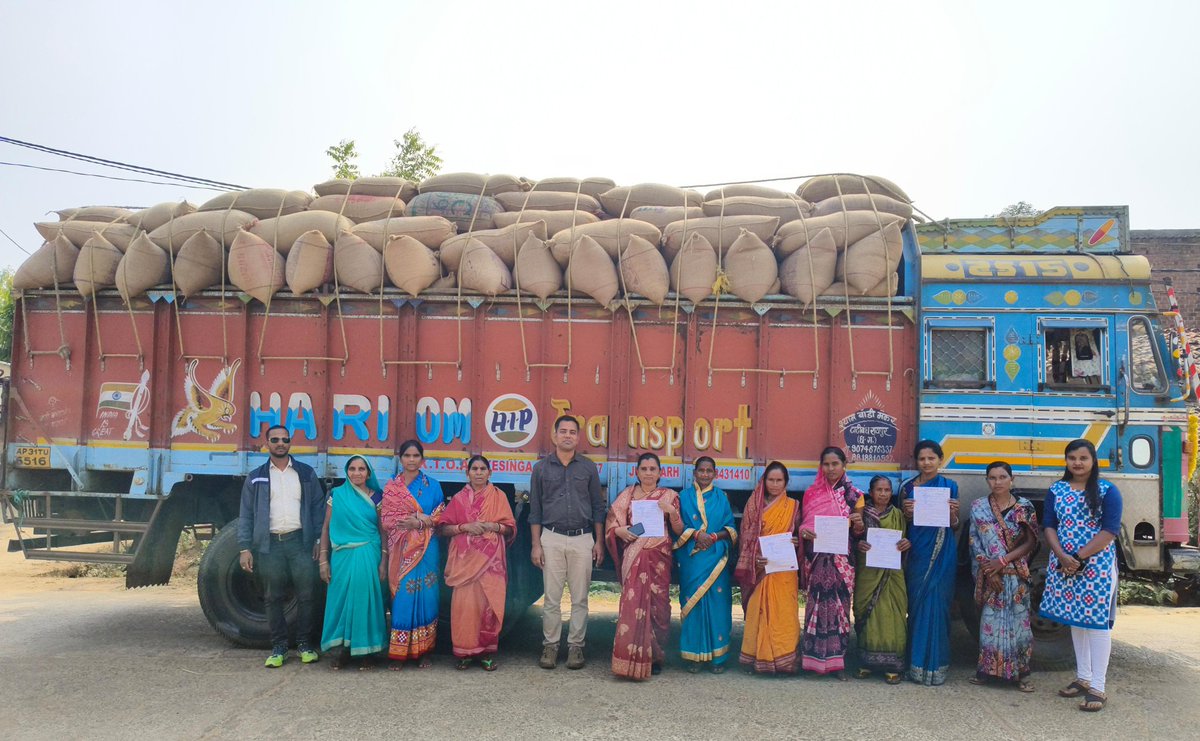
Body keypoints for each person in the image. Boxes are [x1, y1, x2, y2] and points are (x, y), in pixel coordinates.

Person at [1040, 439, 1123, 712]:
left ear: (1093, 460)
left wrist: (1078, 557)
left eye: (1083, 458)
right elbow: (1049, 526)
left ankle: (1098, 687)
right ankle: (1084, 678)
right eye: (1072, 457)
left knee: (1097, 625)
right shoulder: (1057, 490)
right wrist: (1062, 556)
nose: (1077, 463)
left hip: (1096, 567)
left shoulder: (1108, 491)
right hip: (1064, 565)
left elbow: (1109, 531)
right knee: (1075, 620)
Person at [237, 424, 326, 668]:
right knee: (272, 597)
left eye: (284, 439)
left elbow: (319, 510)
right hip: (270, 546)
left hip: (300, 542)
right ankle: (278, 647)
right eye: (275, 439)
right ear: (266, 444)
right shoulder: (256, 477)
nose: (280, 443)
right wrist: (245, 548)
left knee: (307, 595)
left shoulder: (306, 474)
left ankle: (305, 644)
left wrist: (319, 540)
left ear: (290, 443)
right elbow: (246, 514)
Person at [529, 415, 607, 670]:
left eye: (572, 432)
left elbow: (597, 507)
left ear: (578, 437)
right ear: (554, 435)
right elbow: (536, 510)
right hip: (550, 537)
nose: (567, 436)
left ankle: (576, 648)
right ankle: (550, 647)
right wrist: (536, 545)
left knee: (580, 598)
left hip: (582, 538)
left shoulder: (587, 467)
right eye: (563, 431)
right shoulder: (541, 468)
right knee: (551, 598)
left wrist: (598, 543)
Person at [606, 452, 684, 680]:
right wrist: (620, 531)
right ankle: (626, 659)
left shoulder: (669, 496)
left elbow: (679, 531)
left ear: (660, 473)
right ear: (636, 472)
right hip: (634, 557)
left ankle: (656, 657)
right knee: (631, 605)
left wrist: (671, 513)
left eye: (653, 469)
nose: (649, 473)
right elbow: (613, 521)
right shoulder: (627, 495)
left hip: (659, 559)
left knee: (659, 609)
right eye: (644, 469)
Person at [439, 455, 516, 671]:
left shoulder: (498, 497)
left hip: (491, 565)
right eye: (475, 469)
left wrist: (493, 526)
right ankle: (464, 653)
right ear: (468, 473)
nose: (479, 472)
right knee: (464, 608)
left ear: (490, 473)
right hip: (464, 564)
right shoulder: (458, 499)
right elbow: (443, 528)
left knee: (489, 606)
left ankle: (486, 653)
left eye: (483, 469)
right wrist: (464, 527)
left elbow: (510, 527)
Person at [968, 460, 1039, 692]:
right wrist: (989, 571)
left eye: (1002, 477)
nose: (997, 482)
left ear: (1012, 479)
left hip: (1015, 574)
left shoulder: (1024, 507)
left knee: (1019, 625)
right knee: (989, 624)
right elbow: (974, 542)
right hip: (991, 576)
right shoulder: (978, 506)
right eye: (992, 478)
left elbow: (1030, 542)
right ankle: (986, 671)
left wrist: (1003, 562)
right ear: (987, 480)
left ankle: (1020, 674)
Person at [798, 446, 865, 679]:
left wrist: (858, 525)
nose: (830, 469)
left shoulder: (855, 495)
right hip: (818, 557)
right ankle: (813, 663)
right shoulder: (812, 493)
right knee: (815, 606)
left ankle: (838, 664)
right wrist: (805, 532)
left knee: (840, 609)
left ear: (844, 465)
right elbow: (805, 524)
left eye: (835, 464)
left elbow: (858, 534)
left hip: (841, 559)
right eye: (826, 464)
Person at [900, 439, 960, 686]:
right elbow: (900, 524)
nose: (926, 463)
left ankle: (937, 666)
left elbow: (954, 525)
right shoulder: (907, 488)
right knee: (916, 606)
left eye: (931, 458)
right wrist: (906, 513)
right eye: (922, 459)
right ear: (917, 461)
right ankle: (916, 664)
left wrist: (953, 514)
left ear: (940, 459)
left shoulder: (949, 486)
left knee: (939, 606)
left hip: (941, 553)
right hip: (917, 552)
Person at [318, 456, 387, 669]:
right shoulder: (337, 495)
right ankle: (342, 650)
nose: (357, 473)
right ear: (347, 471)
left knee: (366, 601)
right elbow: (326, 527)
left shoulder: (377, 498)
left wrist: (384, 560)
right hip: (342, 556)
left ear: (368, 473)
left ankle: (368, 651)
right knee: (340, 600)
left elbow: (383, 530)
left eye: (361, 469)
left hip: (368, 552)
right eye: (352, 469)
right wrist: (323, 559)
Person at [380, 439, 444, 669]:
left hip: (427, 549)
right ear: (401, 458)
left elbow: (439, 516)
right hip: (401, 549)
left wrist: (418, 521)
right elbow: (387, 519)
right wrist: (417, 520)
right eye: (407, 455)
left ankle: (424, 651)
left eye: (416, 456)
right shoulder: (392, 487)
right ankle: (399, 653)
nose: (411, 460)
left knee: (428, 597)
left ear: (422, 459)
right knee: (402, 597)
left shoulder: (433, 485)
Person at [735, 461, 802, 674]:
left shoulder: (793, 506)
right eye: (770, 480)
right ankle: (758, 658)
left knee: (784, 613)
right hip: (761, 568)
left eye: (778, 480)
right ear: (764, 481)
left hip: (783, 569)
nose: (774, 484)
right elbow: (745, 536)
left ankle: (785, 661)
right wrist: (755, 557)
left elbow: (799, 534)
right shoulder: (753, 505)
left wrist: (797, 542)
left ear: (786, 482)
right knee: (759, 611)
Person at [673, 456, 737, 674]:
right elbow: (678, 526)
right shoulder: (683, 497)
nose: (705, 474)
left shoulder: (722, 498)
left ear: (715, 473)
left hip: (716, 556)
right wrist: (697, 535)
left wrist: (714, 537)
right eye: (701, 470)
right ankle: (693, 657)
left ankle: (718, 658)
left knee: (717, 604)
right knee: (693, 604)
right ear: (695, 472)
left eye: (709, 471)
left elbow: (730, 527)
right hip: (692, 558)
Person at [854, 475, 910, 684]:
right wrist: (859, 545)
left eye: (887, 490)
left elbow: (906, 539)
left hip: (892, 574)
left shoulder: (898, 515)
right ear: (871, 492)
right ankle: (866, 663)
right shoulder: (862, 514)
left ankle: (893, 666)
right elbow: (854, 538)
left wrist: (906, 544)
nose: (884, 494)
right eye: (879, 490)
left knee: (892, 615)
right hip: (868, 572)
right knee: (865, 612)